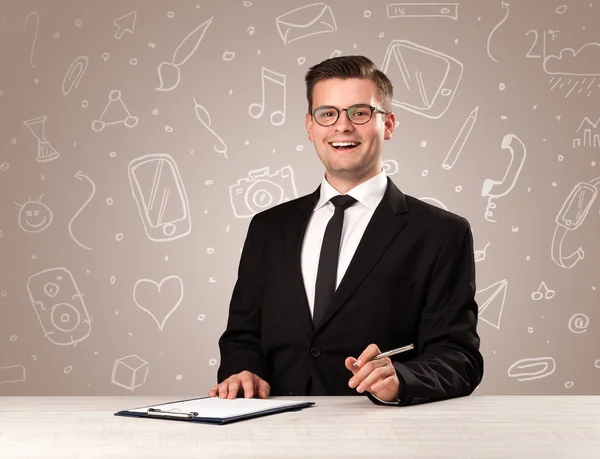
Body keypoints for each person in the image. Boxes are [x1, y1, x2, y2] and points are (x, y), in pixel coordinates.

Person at [209, 55, 484, 406]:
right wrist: (241, 371)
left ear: (388, 124)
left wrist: (402, 379)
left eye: (360, 112)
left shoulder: (441, 233)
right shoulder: (268, 227)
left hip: (382, 434)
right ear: (310, 127)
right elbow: (242, 336)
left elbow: (459, 358)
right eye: (328, 114)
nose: (343, 126)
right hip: (272, 428)